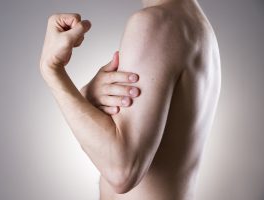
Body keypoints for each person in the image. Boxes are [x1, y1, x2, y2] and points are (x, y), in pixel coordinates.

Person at [39, 0, 221, 199]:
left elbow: (122, 171)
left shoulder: (156, 23)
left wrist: (51, 69)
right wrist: (86, 101)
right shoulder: (194, 23)